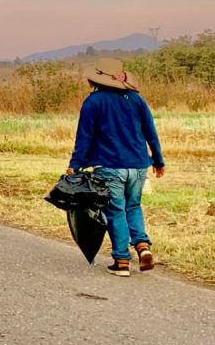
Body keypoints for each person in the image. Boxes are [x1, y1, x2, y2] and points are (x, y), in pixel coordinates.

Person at [67, 58, 165, 277]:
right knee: (134, 206)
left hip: (109, 166)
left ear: (96, 80)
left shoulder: (93, 102)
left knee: (115, 210)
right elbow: (151, 133)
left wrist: (75, 165)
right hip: (139, 165)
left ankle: (121, 260)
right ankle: (142, 245)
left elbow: (84, 138)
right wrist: (158, 161)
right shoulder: (137, 99)